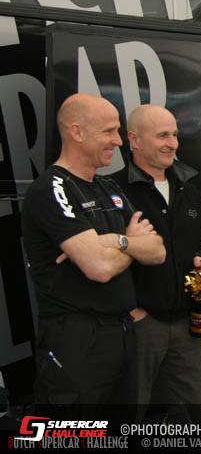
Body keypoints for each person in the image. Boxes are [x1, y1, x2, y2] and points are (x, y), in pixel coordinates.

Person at [22, 93, 165, 407]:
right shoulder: (52, 189)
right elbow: (99, 268)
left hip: (123, 335)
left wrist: (116, 241)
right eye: (109, 131)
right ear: (77, 132)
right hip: (77, 343)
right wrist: (130, 242)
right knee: (77, 430)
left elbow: (157, 250)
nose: (118, 141)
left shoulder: (108, 187)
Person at [111, 105, 201, 409]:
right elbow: (103, 259)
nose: (172, 143)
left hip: (186, 325)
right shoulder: (114, 192)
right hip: (138, 326)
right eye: (162, 135)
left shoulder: (189, 188)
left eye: (174, 134)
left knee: (197, 415)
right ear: (134, 139)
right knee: (129, 412)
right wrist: (131, 311)